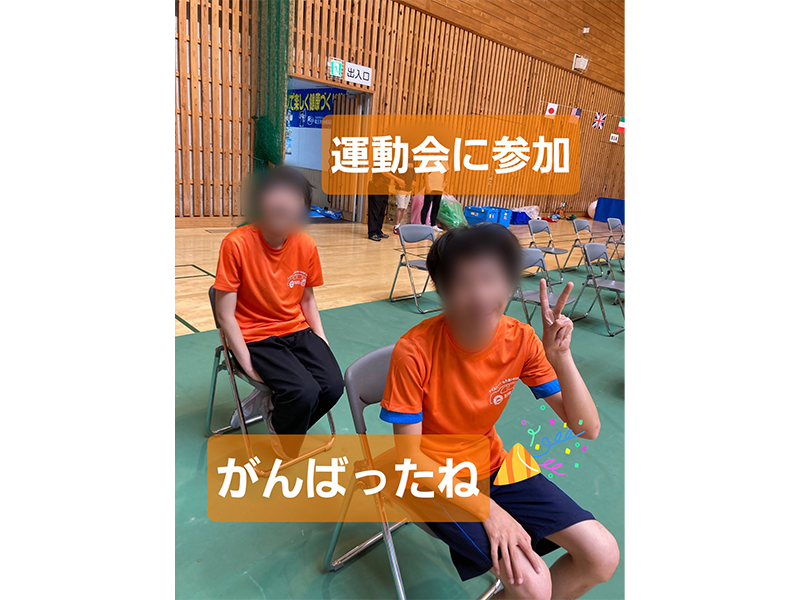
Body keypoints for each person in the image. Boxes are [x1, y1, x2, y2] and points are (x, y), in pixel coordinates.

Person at [380, 224, 619, 599]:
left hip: (493, 464)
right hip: (430, 477)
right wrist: (489, 510)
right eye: (463, 283)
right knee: (533, 585)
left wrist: (561, 357)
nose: (480, 296)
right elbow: (411, 460)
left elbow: (586, 428)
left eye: (491, 279)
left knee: (601, 555)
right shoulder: (414, 352)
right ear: (442, 290)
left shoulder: (519, 339)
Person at [213, 166, 344, 455]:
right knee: (303, 392)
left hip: (296, 330)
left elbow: (307, 299)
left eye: (293, 197)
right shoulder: (236, 244)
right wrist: (246, 364)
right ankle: (283, 436)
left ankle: (274, 412)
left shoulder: (306, 244)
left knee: (333, 386)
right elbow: (225, 314)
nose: (284, 203)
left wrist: (321, 340)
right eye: (276, 194)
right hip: (256, 336)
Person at [386, 168, 417, 234]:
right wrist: (398, 181)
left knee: (404, 208)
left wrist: (413, 181)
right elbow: (393, 173)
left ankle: (399, 224)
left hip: (409, 189)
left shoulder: (411, 162)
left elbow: (413, 174)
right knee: (400, 207)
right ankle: (396, 225)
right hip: (400, 188)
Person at [422, 161, 449, 232]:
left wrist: (445, 182)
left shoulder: (444, 162)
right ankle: (423, 224)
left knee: (436, 207)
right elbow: (425, 174)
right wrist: (427, 186)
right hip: (430, 188)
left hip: (439, 188)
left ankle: (433, 224)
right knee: (426, 206)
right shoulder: (430, 161)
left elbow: (447, 172)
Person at [367, 171, 392, 241]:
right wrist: (398, 180)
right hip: (376, 186)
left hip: (384, 186)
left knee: (382, 210)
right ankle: (372, 233)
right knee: (374, 210)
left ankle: (378, 231)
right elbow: (385, 172)